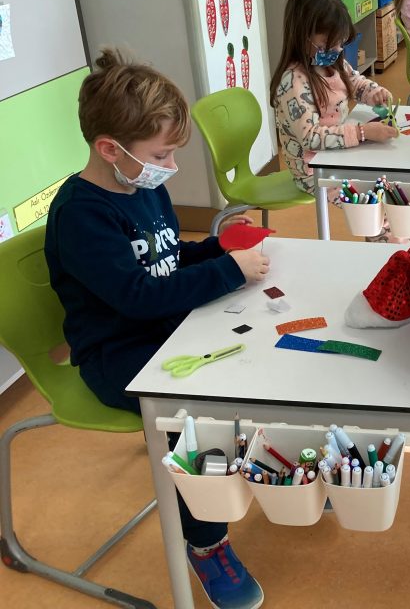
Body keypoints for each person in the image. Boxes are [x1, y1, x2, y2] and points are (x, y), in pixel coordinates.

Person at [44, 48, 269, 609]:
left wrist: (218, 248)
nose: (169, 166)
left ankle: (271, 471)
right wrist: (227, 271)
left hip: (165, 331)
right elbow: (138, 296)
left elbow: (167, 257)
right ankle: (207, 543)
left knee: (261, 357)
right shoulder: (81, 215)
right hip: (116, 353)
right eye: (161, 154)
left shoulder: (144, 187)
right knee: (190, 417)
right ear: (109, 149)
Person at [270, 0, 398, 210]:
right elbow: (310, 138)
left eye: (340, 42)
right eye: (327, 44)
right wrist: (362, 133)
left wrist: (373, 92)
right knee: (373, 206)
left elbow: (355, 82)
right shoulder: (293, 82)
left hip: (340, 152)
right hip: (313, 169)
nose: (337, 50)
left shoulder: (332, 62)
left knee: (390, 183)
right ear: (302, 36)